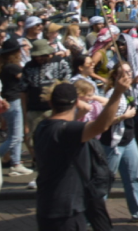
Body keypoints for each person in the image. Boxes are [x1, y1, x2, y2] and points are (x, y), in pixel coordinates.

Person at [32, 65, 130, 231]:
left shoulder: (43, 126)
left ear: (50, 102)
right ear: (77, 101)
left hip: (46, 206)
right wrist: (118, 92)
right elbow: (101, 126)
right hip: (65, 212)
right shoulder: (67, 131)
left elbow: (68, 124)